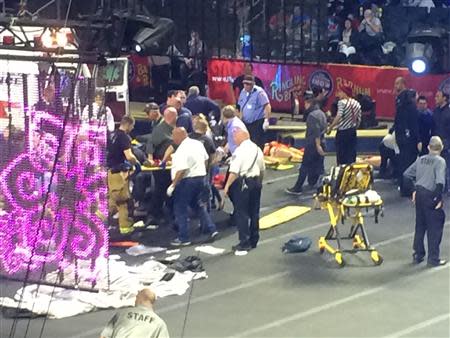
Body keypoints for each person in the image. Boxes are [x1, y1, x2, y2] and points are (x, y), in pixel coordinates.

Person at [168, 128, 218, 246]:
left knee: (180, 208)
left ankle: (183, 237)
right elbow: (206, 159)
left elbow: (181, 170)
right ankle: (211, 229)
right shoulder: (197, 144)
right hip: (201, 178)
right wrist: (203, 173)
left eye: (174, 136)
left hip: (187, 181)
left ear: (179, 136)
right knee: (199, 205)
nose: (173, 139)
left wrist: (173, 185)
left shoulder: (181, 150)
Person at [403, 136, 447, 267]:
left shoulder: (421, 159)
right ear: (441, 148)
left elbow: (406, 175)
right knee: (435, 227)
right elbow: (439, 183)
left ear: (428, 147)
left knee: (420, 225)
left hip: (420, 194)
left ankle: (418, 254)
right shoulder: (440, 161)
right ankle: (433, 258)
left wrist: (413, 190)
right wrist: (438, 199)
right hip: (430, 195)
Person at [224, 129, 265, 255]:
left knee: (241, 213)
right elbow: (262, 168)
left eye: (235, 137)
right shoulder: (257, 149)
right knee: (254, 212)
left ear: (240, 137)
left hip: (243, 183)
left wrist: (226, 187)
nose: (234, 139)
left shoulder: (239, 151)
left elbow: (234, 171)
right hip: (256, 181)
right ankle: (254, 239)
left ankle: (244, 242)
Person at [286, 90, 327, 195]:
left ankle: (298, 187)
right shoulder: (322, 114)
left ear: (308, 103)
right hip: (322, 142)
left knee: (305, 166)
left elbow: (316, 132)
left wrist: (317, 145)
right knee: (319, 166)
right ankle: (319, 186)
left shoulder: (312, 116)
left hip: (313, 144)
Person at [107, 116, 139, 235]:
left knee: (112, 200)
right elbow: (129, 156)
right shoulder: (124, 137)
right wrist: (136, 163)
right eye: (132, 126)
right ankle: (126, 229)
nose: (132, 128)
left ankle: (97, 223)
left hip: (109, 172)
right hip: (118, 173)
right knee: (123, 201)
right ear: (129, 124)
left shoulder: (111, 135)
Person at [144, 107, 177, 226]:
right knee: (160, 190)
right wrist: (150, 159)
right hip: (161, 168)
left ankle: (167, 214)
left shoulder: (172, 128)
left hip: (170, 166)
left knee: (168, 190)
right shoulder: (160, 129)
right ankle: (154, 214)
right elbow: (150, 143)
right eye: (175, 115)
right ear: (171, 117)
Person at [100, 288, 169, 338]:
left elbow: (104, 336)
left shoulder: (122, 313)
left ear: (141, 299)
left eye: (136, 298)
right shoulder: (159, 323)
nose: (135, 301)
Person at [393, 77, 420, 196]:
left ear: (403, 84)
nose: (395, 86)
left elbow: (410, 120)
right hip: (404, 136)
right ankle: (405, 188)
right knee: (406, 162)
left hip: (405, 136)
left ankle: (405, 188)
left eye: (397, 83)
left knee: (405, 162)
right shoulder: (402, 99)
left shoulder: (406, 99)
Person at [327, 84, 361, 165]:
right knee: (351, 154)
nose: (338, 94)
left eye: (340, 92)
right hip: (352, 132)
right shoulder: (357, 103)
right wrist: (354, 127)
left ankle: (341, 172)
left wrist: (330, 127)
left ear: (345, 93)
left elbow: (339, 116)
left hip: (343, 133)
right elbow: (359, 119)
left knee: (341, 155)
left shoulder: (341, 103)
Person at [237, 75, 271, 149]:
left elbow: (267, 106)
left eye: (248, 84)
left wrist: (266, 120)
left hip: (257, 123)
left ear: (253, 84)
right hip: (246, 123)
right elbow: (240, 106)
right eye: (245, 84)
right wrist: (240, 119)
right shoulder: (243, 92)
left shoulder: (259, 92)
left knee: (257, 144)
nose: (246, 86)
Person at [432, 90, 450, 191]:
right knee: (437, 165)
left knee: (446, 165)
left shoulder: (448, 112)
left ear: (444, 98)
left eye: (438, 96)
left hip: (446, 142)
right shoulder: (436, 111)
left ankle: (447, 187)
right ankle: (439, 186)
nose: (435, 98)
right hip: (436, 142)